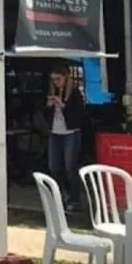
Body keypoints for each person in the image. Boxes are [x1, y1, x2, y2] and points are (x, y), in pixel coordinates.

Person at [44, 64, 86, 211]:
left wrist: (62, 105)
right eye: (53, 80)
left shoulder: (75, 94)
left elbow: (78, 116)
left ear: (66, 78)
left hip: (71, 133)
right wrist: (48, 106)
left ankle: (74, 200)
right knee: (54, 166)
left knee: (70, 166)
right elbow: (44, 115)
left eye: (58, 79)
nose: (56, 82)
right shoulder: (52, 91)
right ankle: (62, 194)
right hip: (55, 133)